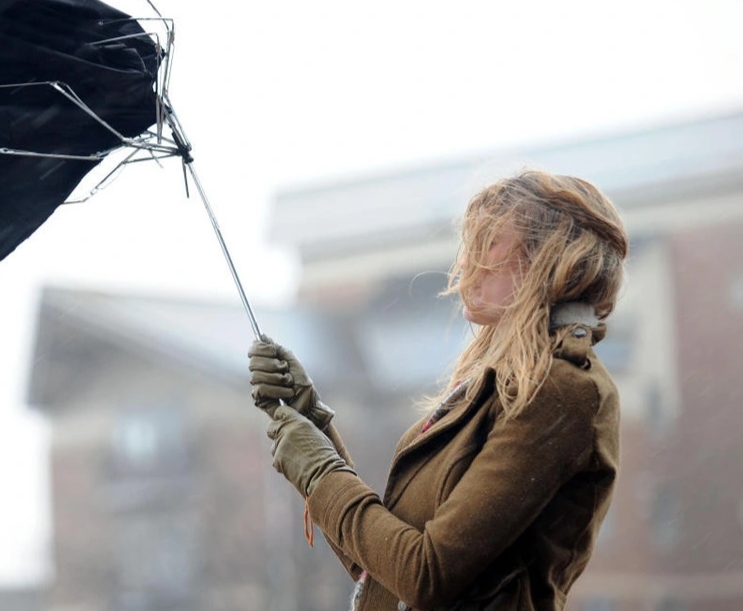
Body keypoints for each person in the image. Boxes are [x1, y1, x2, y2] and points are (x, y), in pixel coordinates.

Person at [248, 169, 629, 611]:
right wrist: (313, 423)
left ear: (547, 257)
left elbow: (425, 575)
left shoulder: (561, 391)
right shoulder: (497, 383)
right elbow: (383, 567)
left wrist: (320, 473)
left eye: (488, 244)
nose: (465, 264)